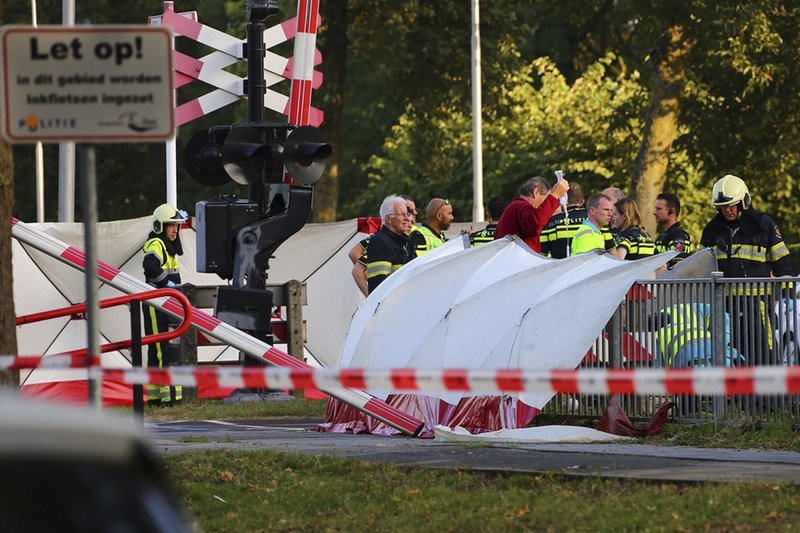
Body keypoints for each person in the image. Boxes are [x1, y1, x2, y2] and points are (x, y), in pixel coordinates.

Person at [700, 174, 795, 364]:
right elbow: (701, 265)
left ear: (743, 201)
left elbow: (782, 260)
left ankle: (771, 384)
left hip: (758, 303)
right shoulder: (712, 230)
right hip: (724, 304)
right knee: (731, 354)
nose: (727, 210)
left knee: (765, 352)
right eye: (723, 207)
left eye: (732, 205)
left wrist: (787, 295)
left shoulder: (762, 224)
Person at [142, 203, 188, 405]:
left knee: (158, 349)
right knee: (162, 349)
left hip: (164, 303)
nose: (175, 230)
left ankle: (156, 397)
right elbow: (149, 266)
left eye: (177, 226)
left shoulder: (167, 248)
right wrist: (165, 283)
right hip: (156, 303)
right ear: (160, 226)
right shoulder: (156, 244)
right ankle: (169, 396)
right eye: (171, 225)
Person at [351, 196, 418, 297]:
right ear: (388, 219)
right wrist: (371, 299)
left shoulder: (405, 242)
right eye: (401, 214)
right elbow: (380, 285)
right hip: (392, 304)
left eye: (407, 214)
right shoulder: (380, 242)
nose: (408, 218)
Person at [495, 176, 569, 253]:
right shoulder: (520, 206)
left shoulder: (516, 207)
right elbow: (536, 222)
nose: (543, 205)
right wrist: (555, 195)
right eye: (545, 199)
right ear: (536, 192)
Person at [654, 193, 694, 268]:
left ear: (671, 212)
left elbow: (679, 268)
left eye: (659, 209)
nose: (654, 212)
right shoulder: (664, 236)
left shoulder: (678, 237)